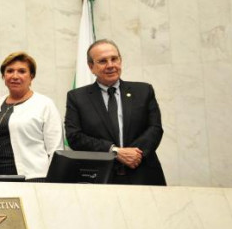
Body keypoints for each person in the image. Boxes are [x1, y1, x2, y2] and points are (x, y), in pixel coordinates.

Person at [65, 39, 166, 185]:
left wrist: (134, 154)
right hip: (101, 178)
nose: (110, 65)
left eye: (114, 59)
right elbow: (74, 136)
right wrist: (114, 151)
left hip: (142, 173)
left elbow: (155, 128)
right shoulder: (77, 97)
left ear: (120, 60)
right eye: (102, 61)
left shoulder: (144, 91)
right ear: (91, 67)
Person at [0, 52, 64, 180]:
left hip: (33, 177)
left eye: (22, 71)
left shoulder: (44, 104)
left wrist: (53, 181)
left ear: (31, 76)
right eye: (10, 71)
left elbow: (55, 149)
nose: (15, 76)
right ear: (3, 76)